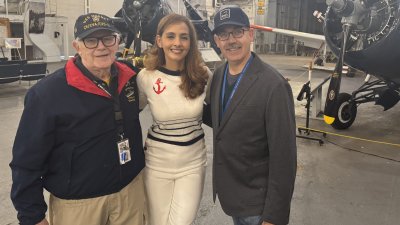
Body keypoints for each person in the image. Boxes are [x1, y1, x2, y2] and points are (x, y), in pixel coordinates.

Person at [10, 13, 145, 225]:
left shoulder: (131, 78)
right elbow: (26, 161)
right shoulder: (47, 95)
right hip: (79, 206)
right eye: (91, 40)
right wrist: (32, 216)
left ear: (117, 42)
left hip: (130, 196)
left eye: (108, 38)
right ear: (77, 46)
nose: (101, 47)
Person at [205, 5, 297, 225]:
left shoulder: (273, 85)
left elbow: (284, 157)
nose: (231, 40)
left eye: (237, 32)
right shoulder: (218, 75)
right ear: (217, 41)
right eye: (223, 34)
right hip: (234, 196)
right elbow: (221, 122)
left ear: (250, 34)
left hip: (259, 204)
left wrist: (273, 216)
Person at [136, 14, 211, 225]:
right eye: (171, 36)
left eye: (184, 37)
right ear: (159, 41)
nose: (177, 43)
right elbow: (133, 112)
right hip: (157, 164)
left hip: (193, 164)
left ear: (191, 42)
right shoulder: (146, 77)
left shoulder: (204, 75)